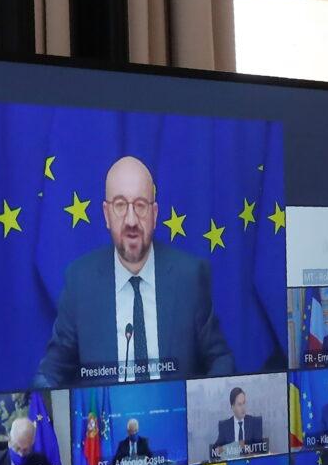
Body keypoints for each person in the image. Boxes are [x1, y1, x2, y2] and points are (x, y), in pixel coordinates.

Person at [32, 156, 233, 387]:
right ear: (106, 214)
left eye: (140, 206)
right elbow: (52, 370)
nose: (131, 220)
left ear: (155, 214)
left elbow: (220, 359)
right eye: (119, 205)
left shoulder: (189, 276)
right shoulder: (80, 281)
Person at [213, 386, 264, 457]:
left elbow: (261, 450)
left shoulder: (255, 423)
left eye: (244, 403)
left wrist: (252, 452)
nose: (243, 407)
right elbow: (215, 450)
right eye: (239, 404)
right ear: (232, 407)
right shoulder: (224, 426)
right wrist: (238, 447)